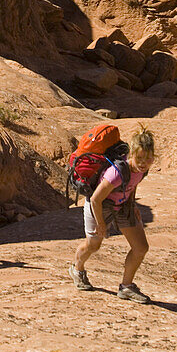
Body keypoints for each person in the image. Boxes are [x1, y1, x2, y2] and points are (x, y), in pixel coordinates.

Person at [69, 125, 155, 303]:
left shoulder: (142, 170)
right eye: (139, 158)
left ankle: (126, 287)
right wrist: (101, 224)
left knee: (141, 248)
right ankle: (77, 269)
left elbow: (133, 183)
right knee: (93, 246)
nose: (142, 163)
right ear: (131, 154)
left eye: (147, 159)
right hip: (101, 206)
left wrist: (133, 203)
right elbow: (95, 199)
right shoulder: (116, 172)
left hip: (123, 204)